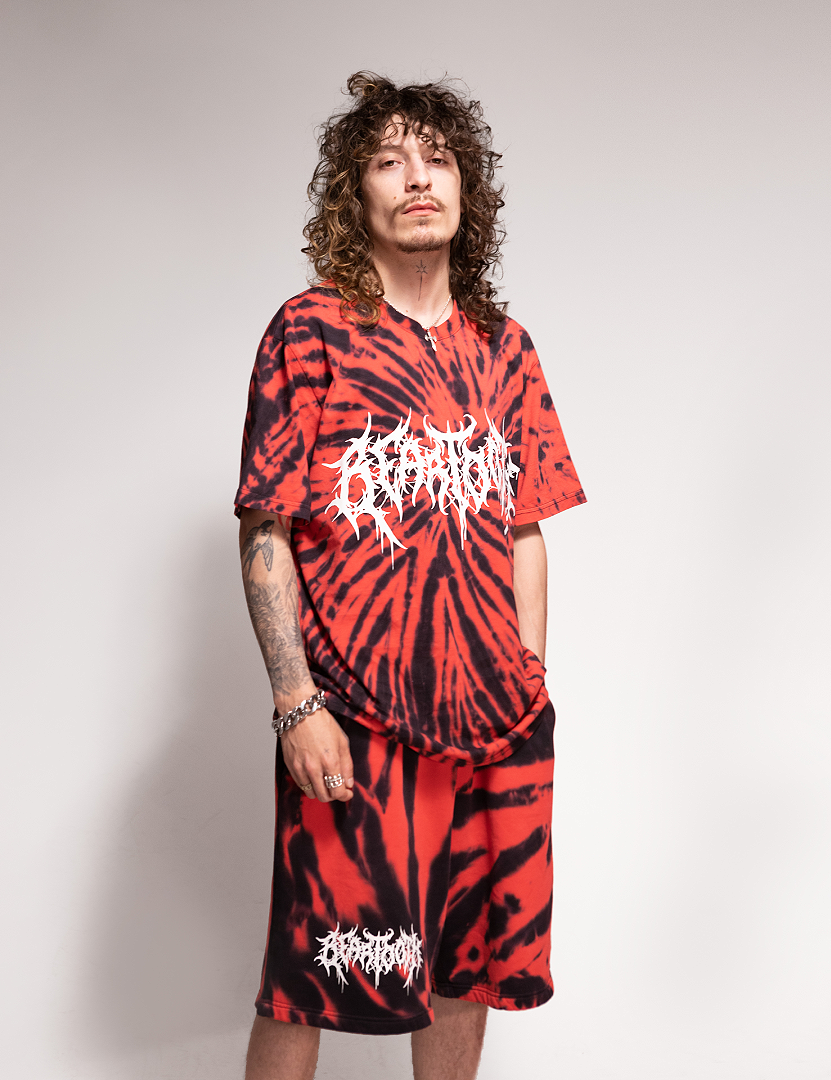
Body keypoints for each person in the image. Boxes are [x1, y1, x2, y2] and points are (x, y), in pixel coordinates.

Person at [235, 71, 585, 1080]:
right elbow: (266, 526)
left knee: (470, 967)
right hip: (356, 718)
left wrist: (530, 685)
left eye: (437, 159)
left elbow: (525, 530)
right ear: (359, 194)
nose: (418, 179)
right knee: (309, 977)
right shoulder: (309, 332)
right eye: (390, 161)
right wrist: (296, 702)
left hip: (497, 722)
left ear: (468, 187)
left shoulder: (506, 350)